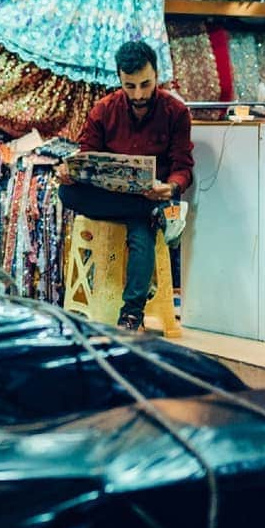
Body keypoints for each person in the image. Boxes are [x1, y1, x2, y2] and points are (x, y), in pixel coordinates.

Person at [56, 40, 194, 332]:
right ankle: (146, 210)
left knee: (141, 233)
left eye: (146, 84)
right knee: (66, 192)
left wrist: (169, 189)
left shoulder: (176, 112)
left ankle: (131, 315)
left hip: (153, 193)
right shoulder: (103, 110)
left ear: (157, 74)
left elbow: (183, 168)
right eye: (130, 86)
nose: (139, 94)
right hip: (120, 199)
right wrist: (70, 172)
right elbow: (86, 156)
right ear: (119, 79)